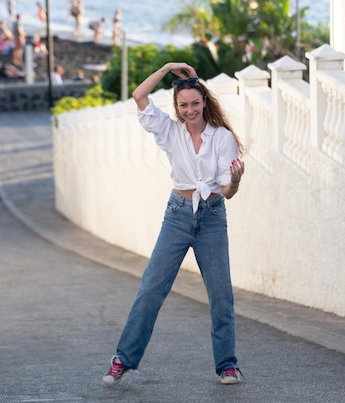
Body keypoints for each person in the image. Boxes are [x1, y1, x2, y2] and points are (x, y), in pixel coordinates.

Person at [101, 62, 246, 387]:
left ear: (204, 102)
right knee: (151, 289)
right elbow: (140, 95)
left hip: (211, 216)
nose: (190, 110)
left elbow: (226, 191)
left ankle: (227, 366)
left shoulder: (222, 138)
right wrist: (167, 69)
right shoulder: (170, 131)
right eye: (183, 105)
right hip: (177, 214)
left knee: (221, 295)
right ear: (177, 108)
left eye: (195, 103)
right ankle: (122, 360)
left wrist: (235, 182)